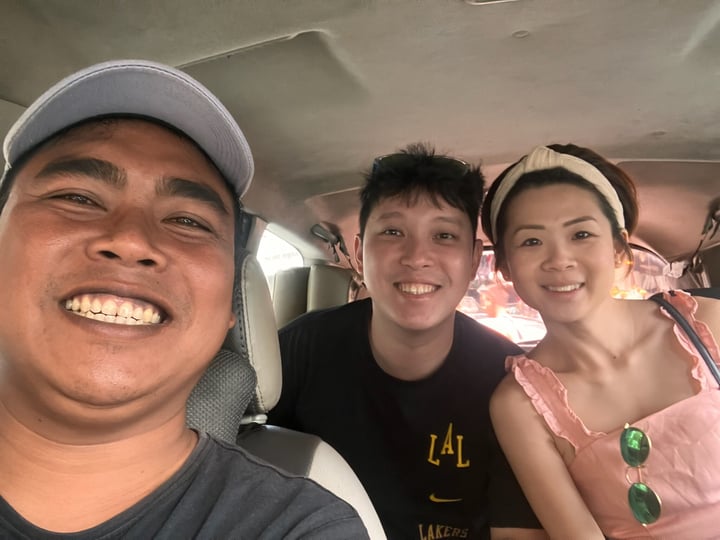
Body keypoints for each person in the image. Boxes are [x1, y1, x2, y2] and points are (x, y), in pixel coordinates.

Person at [0, 59, 368, 539]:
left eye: (188, 221)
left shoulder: (299, 528)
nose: (131, 240)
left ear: (228, 313)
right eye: (78, 198)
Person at [268, 143, 541, 540]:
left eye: (444, 235)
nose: (417, 256)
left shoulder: (510, 382)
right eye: (393, 231)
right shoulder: (297, 352)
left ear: (472, 259)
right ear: (360, 255)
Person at [481, 144, 720, 539]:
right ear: (504, 265)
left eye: (581, 234)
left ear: (618, 247)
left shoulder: (709, 326)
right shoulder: (518, 406)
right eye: (531, 242)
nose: (560, 259)